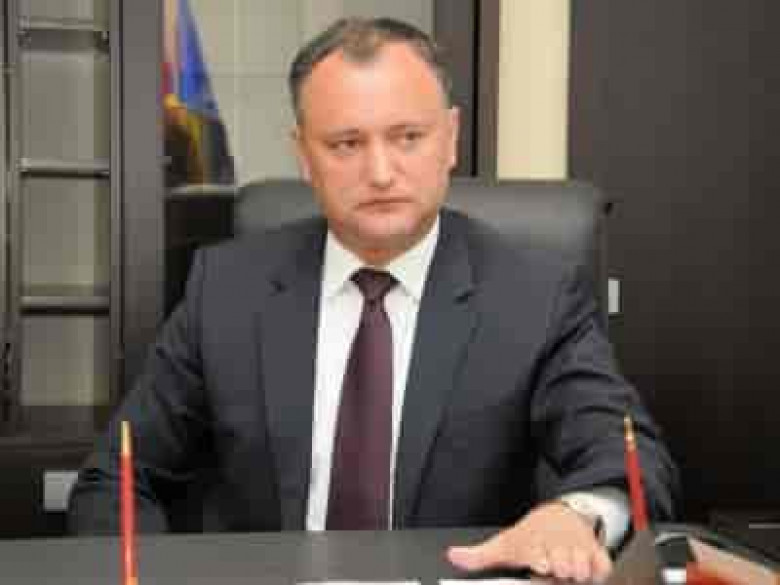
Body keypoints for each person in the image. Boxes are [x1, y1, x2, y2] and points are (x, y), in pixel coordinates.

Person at [68, 17, 678, 583]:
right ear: (304, 155)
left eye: (407, 137)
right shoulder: (226, 289)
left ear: (450, 138)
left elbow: (630, 457)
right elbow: (116, 479)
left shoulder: (535, 296)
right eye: (346, 144)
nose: (381, 172)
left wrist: (577, 515)